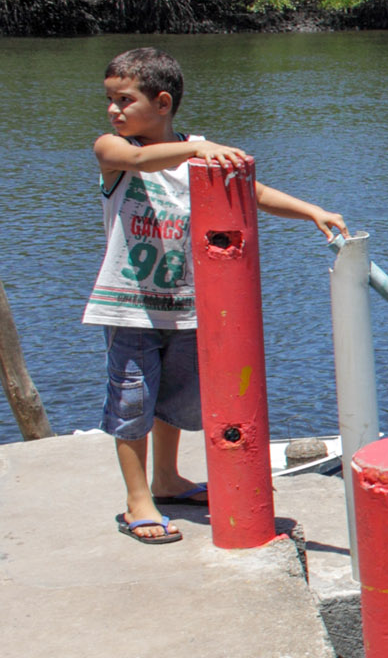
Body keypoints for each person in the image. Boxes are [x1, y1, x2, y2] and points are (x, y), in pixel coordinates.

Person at [87, 47, 347, 543]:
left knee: (176, 401)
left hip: (187, 304)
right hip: (130, 307)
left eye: (124, 100)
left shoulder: (198, 153)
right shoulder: (113, 150)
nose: (113, 111)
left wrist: (312, 210)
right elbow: (140, 158)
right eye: (109, 100)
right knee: (132, 403)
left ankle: (167, 477)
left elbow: (253, 192)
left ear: (162, 103)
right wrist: (196, 150)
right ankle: (137, 499)